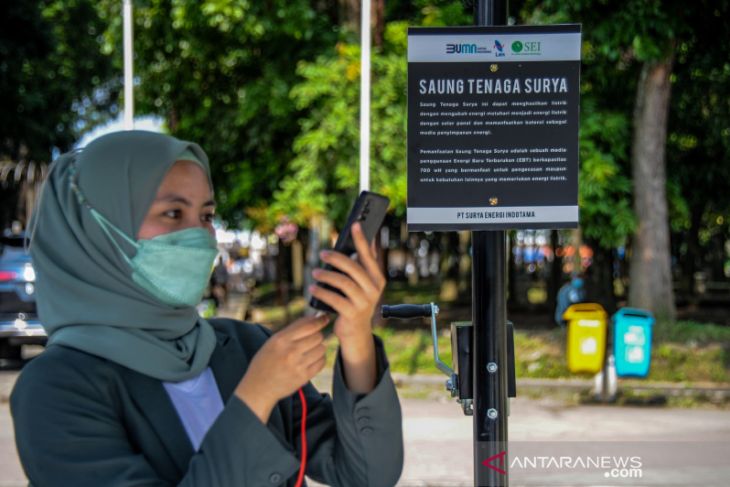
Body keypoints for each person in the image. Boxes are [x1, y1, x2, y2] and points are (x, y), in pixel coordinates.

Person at [10, 131, 404, 486]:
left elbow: (367, 474)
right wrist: (256, 397)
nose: (199, 235)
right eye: (172, 213)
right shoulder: (55, 388)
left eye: (207, 215)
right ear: (96, 230)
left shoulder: (245, 347)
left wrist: (354, 338)